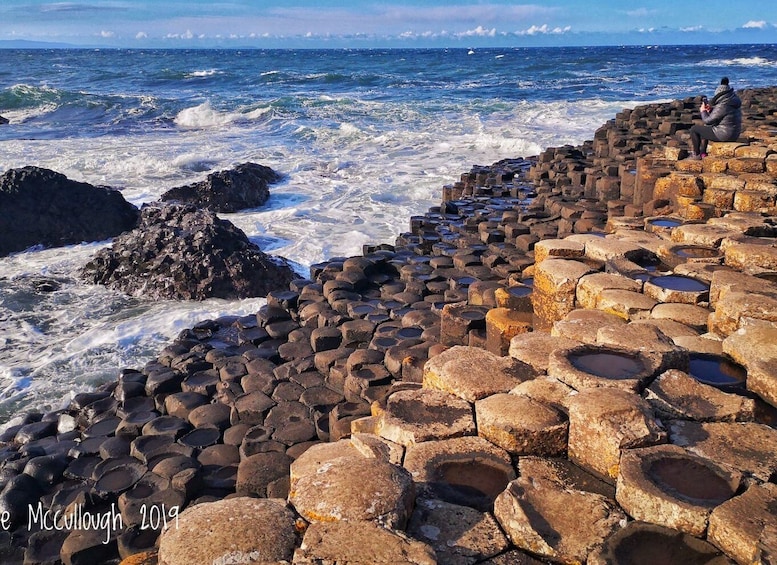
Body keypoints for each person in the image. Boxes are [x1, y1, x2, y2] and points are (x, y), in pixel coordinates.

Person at [687, 77, 742, 160]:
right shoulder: (732, 101)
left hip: (724, 135)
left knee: (694, 129)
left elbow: (707, 120)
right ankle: (703, 153)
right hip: (734, 133)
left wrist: (703, 111)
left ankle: (696, 154)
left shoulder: (723, 105)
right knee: (705, 128)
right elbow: (724, 115)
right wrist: (711, 110)